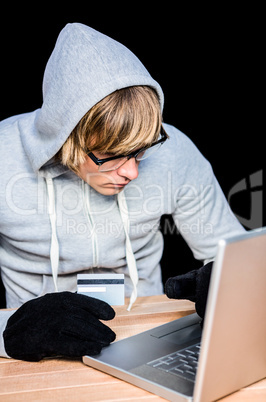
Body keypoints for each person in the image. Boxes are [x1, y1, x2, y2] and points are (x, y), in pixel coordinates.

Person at [0, 23, 244, 361]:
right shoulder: (3, 158)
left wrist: (230, 280)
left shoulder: (174, 152)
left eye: (141, 150)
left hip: (151, 338)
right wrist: (9, 335)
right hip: (39, 352)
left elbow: (235, 254)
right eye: (110, 155)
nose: (131, 171)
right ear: (64, 138)